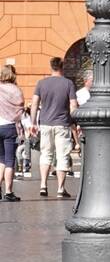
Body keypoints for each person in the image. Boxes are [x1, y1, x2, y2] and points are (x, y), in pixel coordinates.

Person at [31, 56, 76, 199]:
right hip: (62, 124)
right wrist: (75, 123)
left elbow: (34, 104)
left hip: (45, 123)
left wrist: (33, 123)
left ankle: (43, 185)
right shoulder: (68, 84)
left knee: (46, 154)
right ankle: (60, 189)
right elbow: (73, 105)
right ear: (63, 67)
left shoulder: (41, 83)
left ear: (51, 67)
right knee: (62, 156)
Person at [0, 65, 24, 202]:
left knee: (1, 159)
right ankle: (9, 192)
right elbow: (20, 106)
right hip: (10, 127)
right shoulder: (15, 90)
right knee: (10, 160)